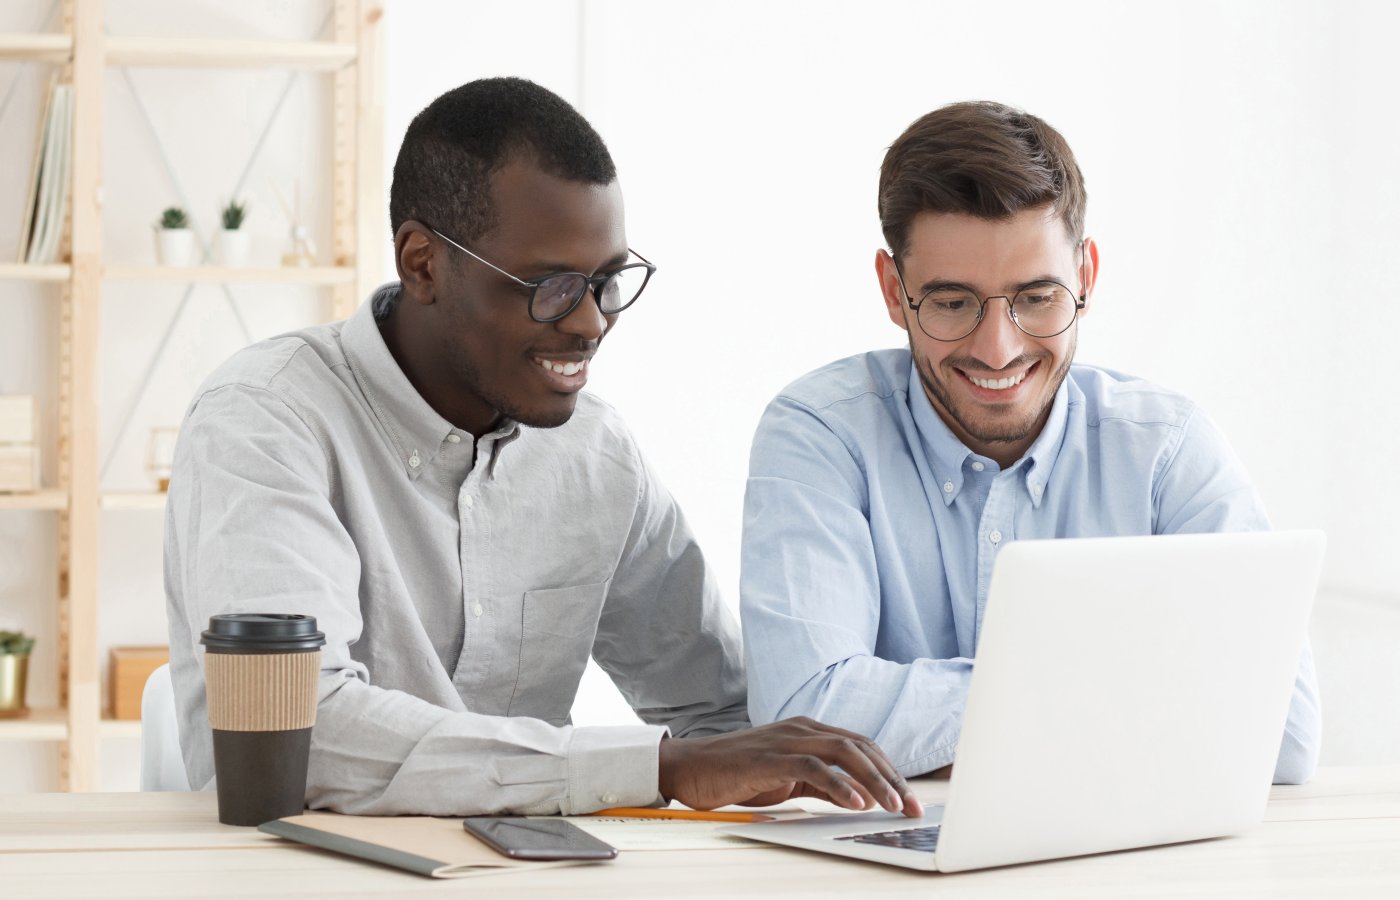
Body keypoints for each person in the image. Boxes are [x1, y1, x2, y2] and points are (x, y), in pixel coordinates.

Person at [165, 77, 919, 818]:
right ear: (422, 263)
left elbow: (722, 715)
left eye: (607, 280)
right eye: (551, 286)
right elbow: (305, 733)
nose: (592, 322)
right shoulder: (265, 421)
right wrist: (655, 768)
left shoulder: (595, 455)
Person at [739, 100, 1320, 784]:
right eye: (952, 303)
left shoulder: (1166, 448)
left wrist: (947, 709)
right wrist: (1130, 692)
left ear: (1087, 277)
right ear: (895, 292)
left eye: (1037, 298)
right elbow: (805, 717)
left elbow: (1280, 732)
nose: (998, 349)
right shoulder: (821, 435)